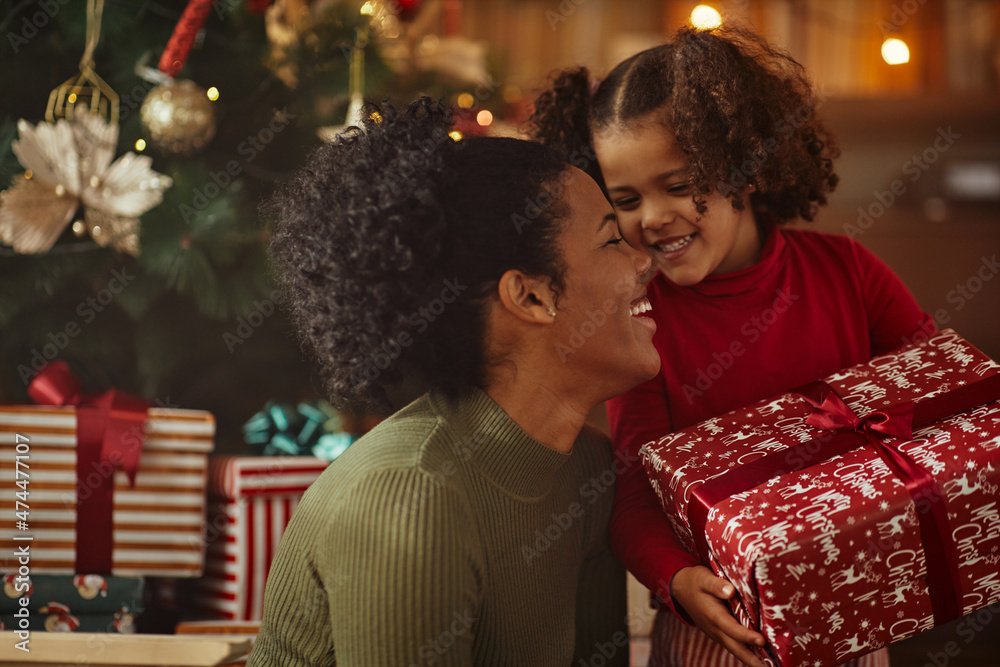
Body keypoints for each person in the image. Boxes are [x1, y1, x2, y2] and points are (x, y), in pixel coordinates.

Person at [529, 26, 934, 667]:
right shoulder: (637, 322)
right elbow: (636, 491)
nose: (654, 217)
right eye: (626, 199)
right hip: (711, 632)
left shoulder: (848, 272)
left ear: (742, 167)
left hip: (853, 614)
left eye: (680, 184)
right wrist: (678, 582)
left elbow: (949, 405)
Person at [246, 97, 662, 666]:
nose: (645, 261)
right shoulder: (410, 496)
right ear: (531, 295)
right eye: (613, 239)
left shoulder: (586, 468)